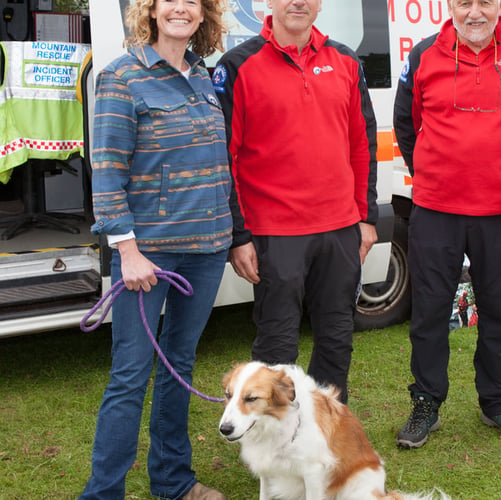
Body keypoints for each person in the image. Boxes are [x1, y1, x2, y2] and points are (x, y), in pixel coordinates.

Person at [79, 0, 231, 498]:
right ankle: (104, 493)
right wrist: (127, 251)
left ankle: (172, 481)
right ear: (151, 11)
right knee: (129, 375)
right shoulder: (122, 76)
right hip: (149, 256)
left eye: (193, 2)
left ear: (204, 14)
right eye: (171, 1)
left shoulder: (204, 77)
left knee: (178, 365)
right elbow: (107, 171)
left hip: (206, 250)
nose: (181, 9)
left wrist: (232, 237)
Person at [393, 0, 501, 449]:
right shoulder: (424, 53)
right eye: (465, 3)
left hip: (499, 211)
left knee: (498, 311)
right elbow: (407, 121)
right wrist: (433, 171)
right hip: (435, 212)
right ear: (450, 7)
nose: (475, 12)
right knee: (429, 313)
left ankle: (497, 402)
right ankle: (426, 403)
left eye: (485, 2)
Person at [212, 0, 377, 404]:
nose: (297, 2)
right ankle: (273, 452)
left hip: (340, 230)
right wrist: (239, 235)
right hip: (274, 234)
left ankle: (325, 436)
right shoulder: (238, 65)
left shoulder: (345, 61)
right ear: (268, 2)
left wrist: (366, 217)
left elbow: (363, 143)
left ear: (320, 5)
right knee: (276, 349)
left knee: (337, 339)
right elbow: (225, 157)